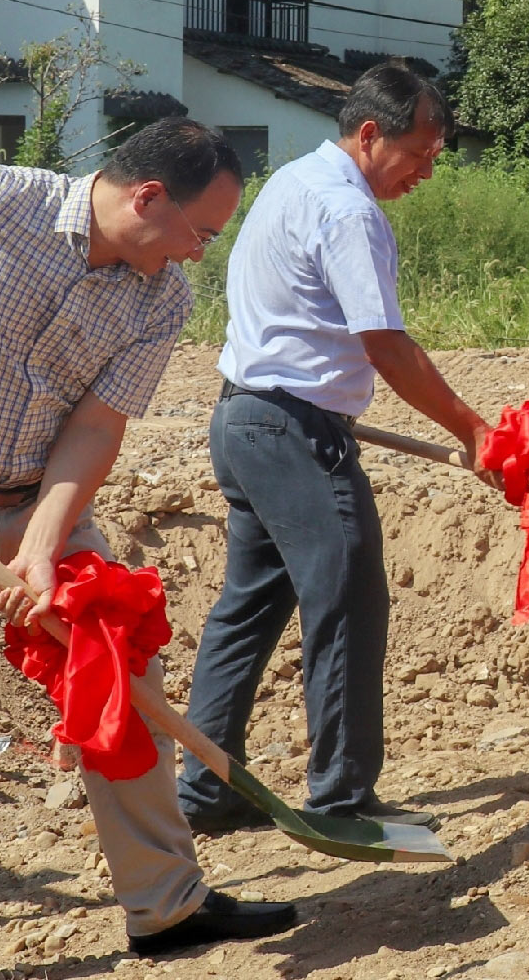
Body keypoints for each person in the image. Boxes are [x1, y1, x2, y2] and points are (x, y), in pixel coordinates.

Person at [0, 118, 295, 967]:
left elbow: (94, 427)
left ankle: (165, 907)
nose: (200, 253)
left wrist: (43, 543)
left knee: (124, 678)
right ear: (146, 197)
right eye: (201, 231)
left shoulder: (160, 297)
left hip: (41, 499)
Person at [177, 64, 492, 836]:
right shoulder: (347, 210)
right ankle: (341, 798)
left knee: (248, 611)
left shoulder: (291, 180)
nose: (425, 171)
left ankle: (207, 789)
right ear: (371, 134)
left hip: (245, 420)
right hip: (291, 432)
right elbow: (384, 343)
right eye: (419, 153)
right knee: (350, 600)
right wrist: (473, 428)